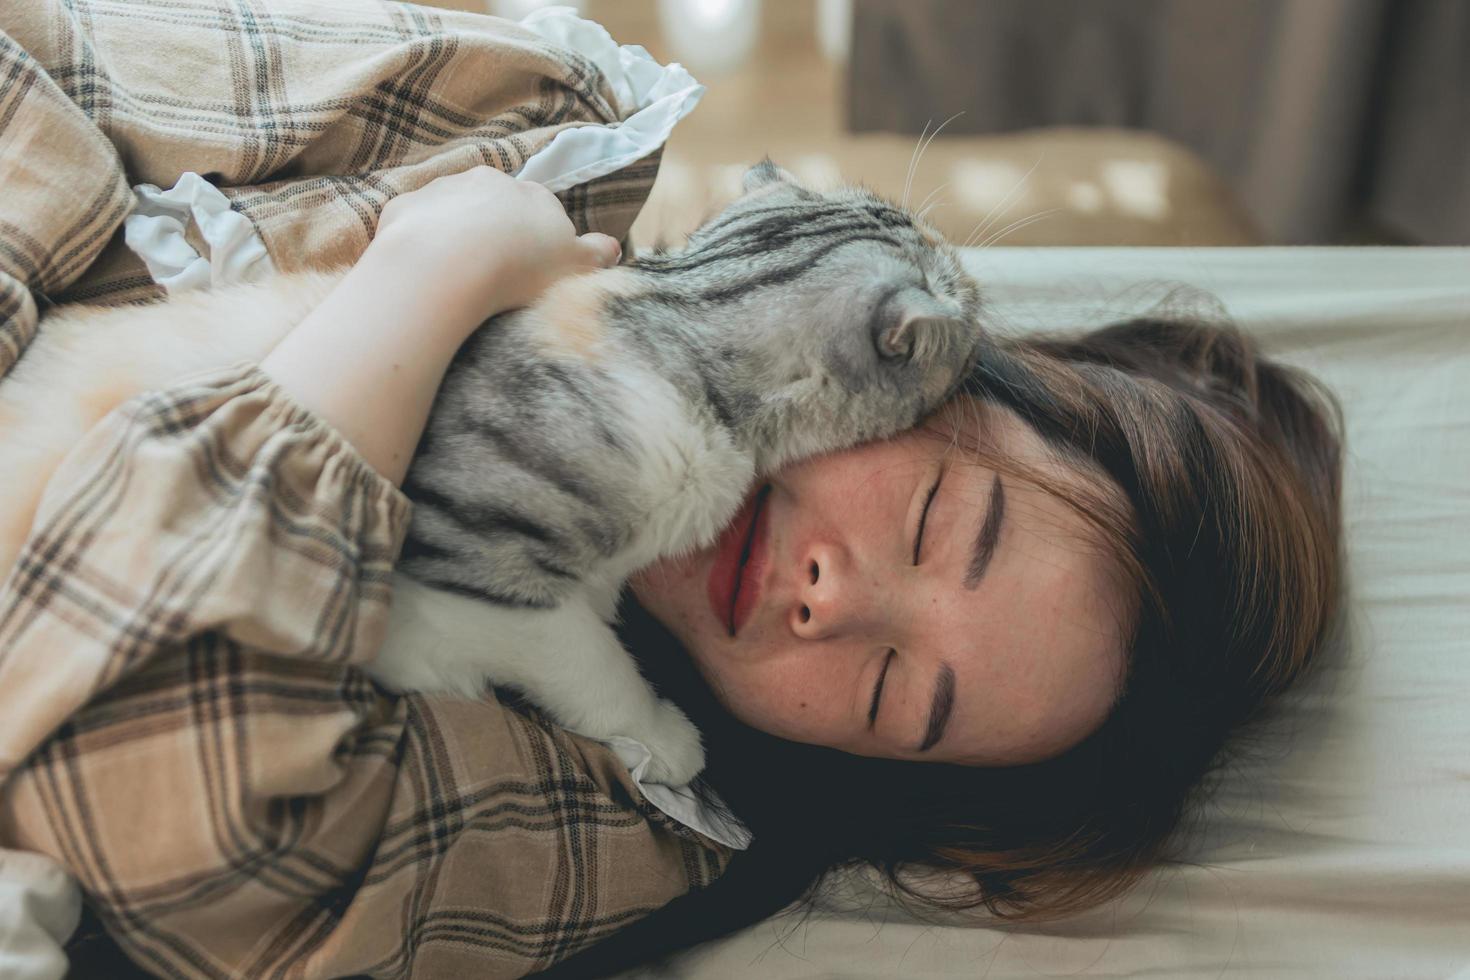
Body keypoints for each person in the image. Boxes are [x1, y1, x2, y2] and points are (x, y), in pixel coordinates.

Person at [0, 167, 1344, 979]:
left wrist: (423, 284)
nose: (832, 599)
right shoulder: (587, 173)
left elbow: (157, 805)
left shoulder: (630, 814)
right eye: (935, 519)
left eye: (889, 692)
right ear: (936, 370)